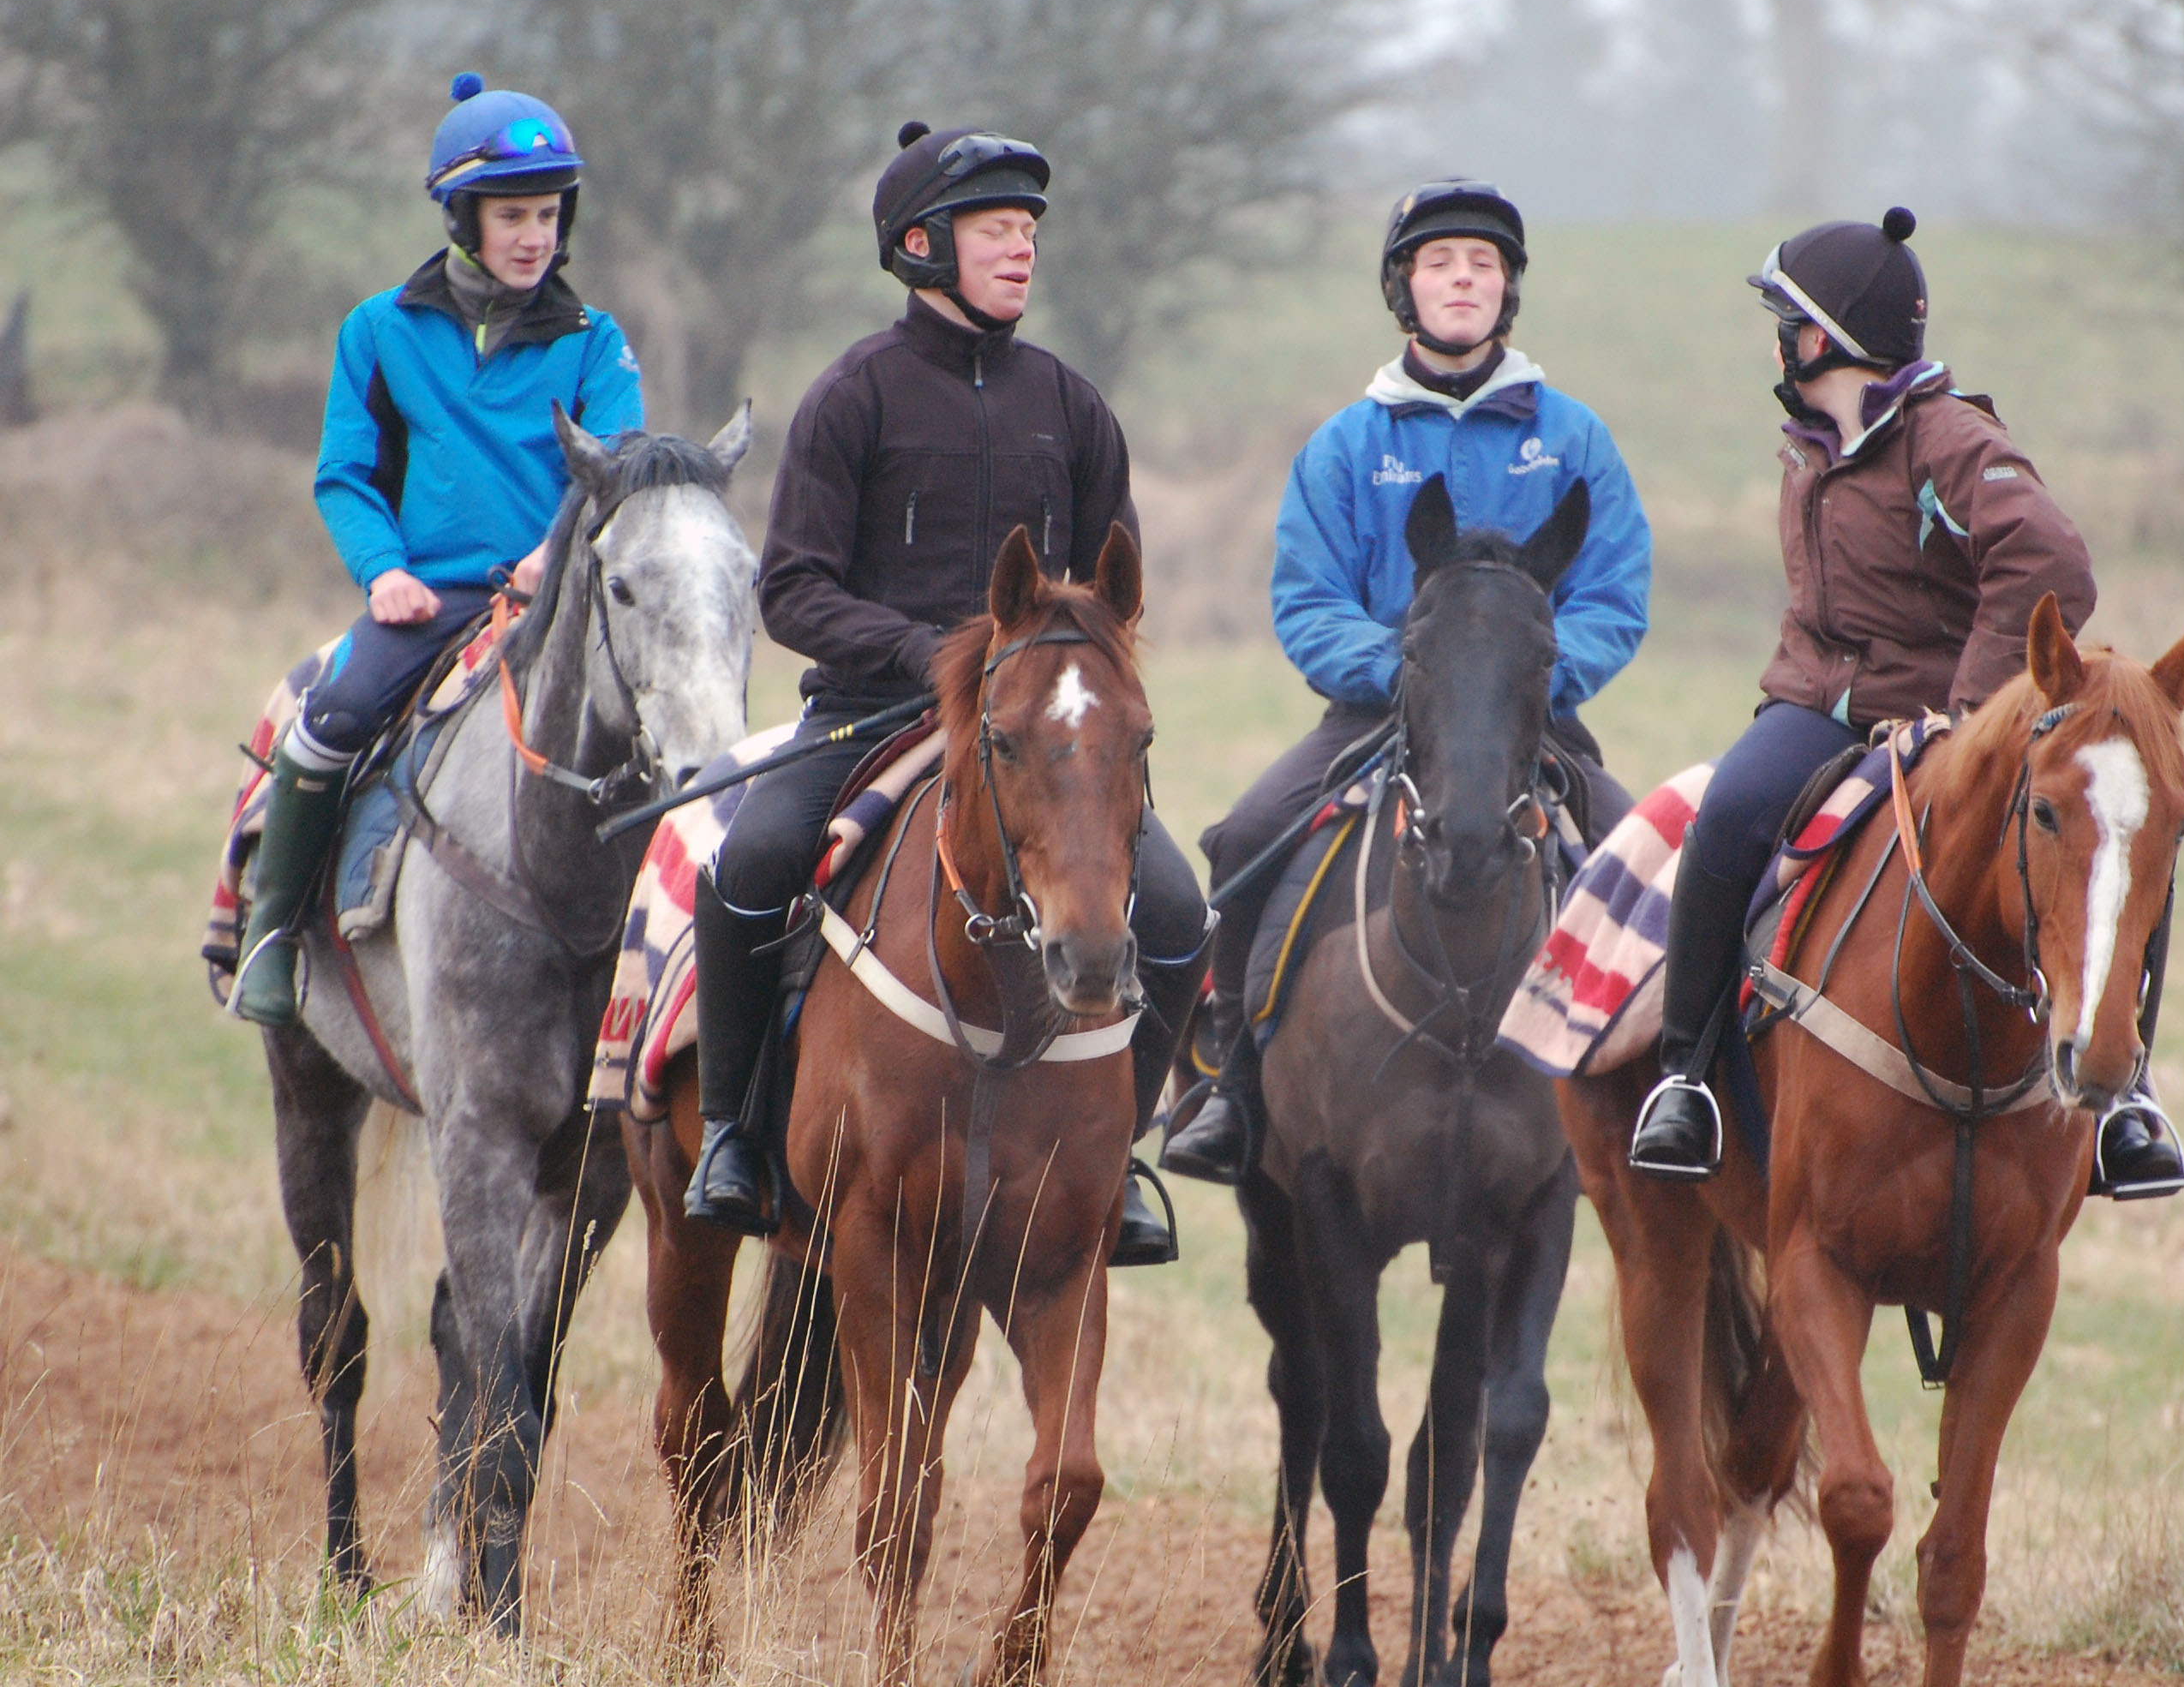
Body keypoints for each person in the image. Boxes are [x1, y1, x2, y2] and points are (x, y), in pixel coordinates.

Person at [685, 121, 1208, 1264]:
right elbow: (793, 592)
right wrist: (931, 655)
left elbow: (1112, 603)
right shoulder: (850, 398)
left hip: (1038, 737)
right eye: (995, 228)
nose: (1022, 249)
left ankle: (1119, 1166)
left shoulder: (1073, 407)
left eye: (1029, 229)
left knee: (1174, 907)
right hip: (869, 716)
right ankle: (730, 1133)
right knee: (747, 864)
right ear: (922, 245)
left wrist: (1058, 682)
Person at [1625, 206, 2184, 1199]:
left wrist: (1968, 708)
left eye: (1784, 320)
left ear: (1823, 335)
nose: (1776, 340)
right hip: (1813, 709)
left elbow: (2050, 560)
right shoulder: (1810, 437)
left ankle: (2125, 1097)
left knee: (2118, 840)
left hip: (1947, 724)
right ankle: (1685, 1081)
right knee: (1724, 818)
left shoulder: (1949, 440)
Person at [1163, 178, 1653, 1187]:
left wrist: (1531, 677)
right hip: (1375, 712)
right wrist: (1409, 674)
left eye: (1483, 263)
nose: (1462, 278)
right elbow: (1308, 598)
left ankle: (1653, 1094)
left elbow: (1612, 591)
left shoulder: (1574, 439)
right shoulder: (1346, 445)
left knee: (1641, 860)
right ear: (1403, 288)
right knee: (1249, 836)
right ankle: (1231, 1082)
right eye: (1440, 262)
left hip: (1528, 720)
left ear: (1508, 289)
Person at [231, 73, 643, 1027]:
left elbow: (616, 466)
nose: (534, 235)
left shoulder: (595, 342)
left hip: (557, 602)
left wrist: (557, 552)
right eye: (512, 215)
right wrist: (386, 575)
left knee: (662, 743)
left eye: (547, 213)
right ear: (463, 217)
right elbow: (345, 474)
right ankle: (274, 932)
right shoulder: (378, 331)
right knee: (328, 718)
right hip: (433, 602)